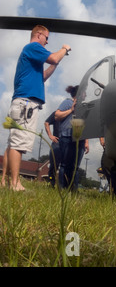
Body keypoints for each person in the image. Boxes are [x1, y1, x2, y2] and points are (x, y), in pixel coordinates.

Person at [1, 25, 71, 191]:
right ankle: (15, 184)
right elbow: (53, 58)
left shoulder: (32, 54)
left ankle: (9, 181)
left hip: (22, 102)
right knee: (19, 144)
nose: (47, 42)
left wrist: (57, 61)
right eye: (46, 38)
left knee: (13, 144)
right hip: (26, 103)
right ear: (39, 35)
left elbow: (43, 76)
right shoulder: (33, 47)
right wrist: (64, 49)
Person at [55, 85, 89, 190]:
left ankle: (73, 189)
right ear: (79, 93)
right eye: (84, 92)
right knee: (64, 164)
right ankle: (61, 188)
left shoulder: (84, 106)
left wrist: (86, 142)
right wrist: (71, 110)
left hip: (80, 139)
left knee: (75, 167)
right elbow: (57, 115)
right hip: (66, 137)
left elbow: (84, 124)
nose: (86, 94)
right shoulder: (67, 102)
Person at [44, 111, 61, 188]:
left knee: (66, 166)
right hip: (57, 141)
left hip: (68, 142)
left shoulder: (73, 114)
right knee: (54, 165)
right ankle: (51, 183)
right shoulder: (57, 113)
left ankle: (63, 186)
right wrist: (50, 135)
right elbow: (46, 122)